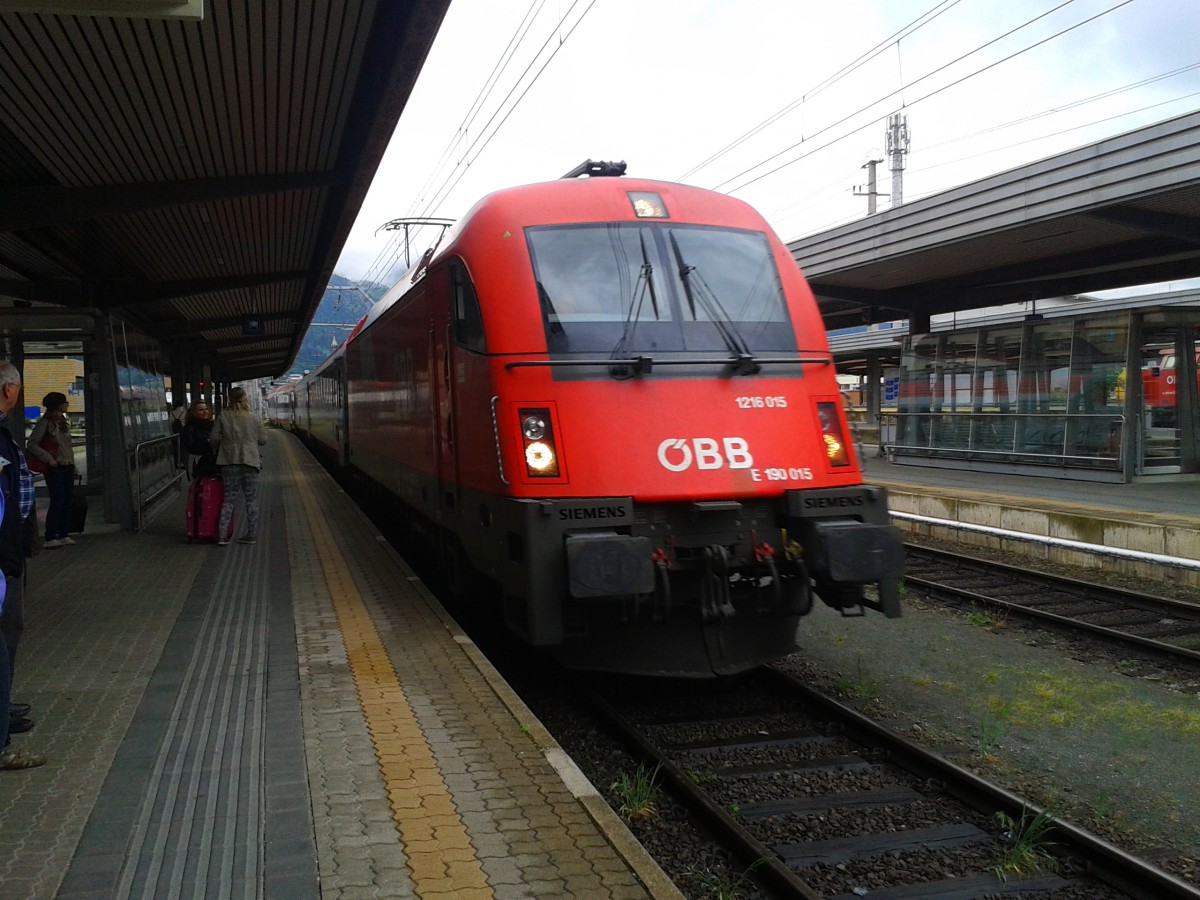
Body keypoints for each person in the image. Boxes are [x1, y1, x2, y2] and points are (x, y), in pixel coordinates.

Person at [0, 361, 47, 769]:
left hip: (10, 554)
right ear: (8, 391)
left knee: (9, 636)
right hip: (3, 560)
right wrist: (11, 557)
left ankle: (4, 708)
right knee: (4, 638)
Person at [210, 386, 266, 546]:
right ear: (245, 399)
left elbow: (213, 438)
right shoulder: (253, 418)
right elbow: (263, 440)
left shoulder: (223, 416)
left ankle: (222, 536)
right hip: (250, 462)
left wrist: (224, 444)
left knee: (229, 498)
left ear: (229, 399)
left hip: (229, 462)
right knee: (251, 500)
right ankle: (252, 535)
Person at [26, 391, 76, 549]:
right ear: (58, 405)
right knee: (58, 499)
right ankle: (50, 536)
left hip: (67, 465)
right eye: (64, 402)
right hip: (54, 467)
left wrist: (73, 465)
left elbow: (67, 446)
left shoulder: (62, 422)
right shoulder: (44, 424)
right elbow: (32, 444)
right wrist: (49, 459)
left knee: (67, 499)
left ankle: (63, 534)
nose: (67, 405)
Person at [181, 399, 217, 480]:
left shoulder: (213, 425)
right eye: (201, 410)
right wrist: (207, 443)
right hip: (197, 460)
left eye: (206, 409)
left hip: (211, 460)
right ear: (194, 413)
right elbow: (190, 446)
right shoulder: (190, 427)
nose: (205, 412)